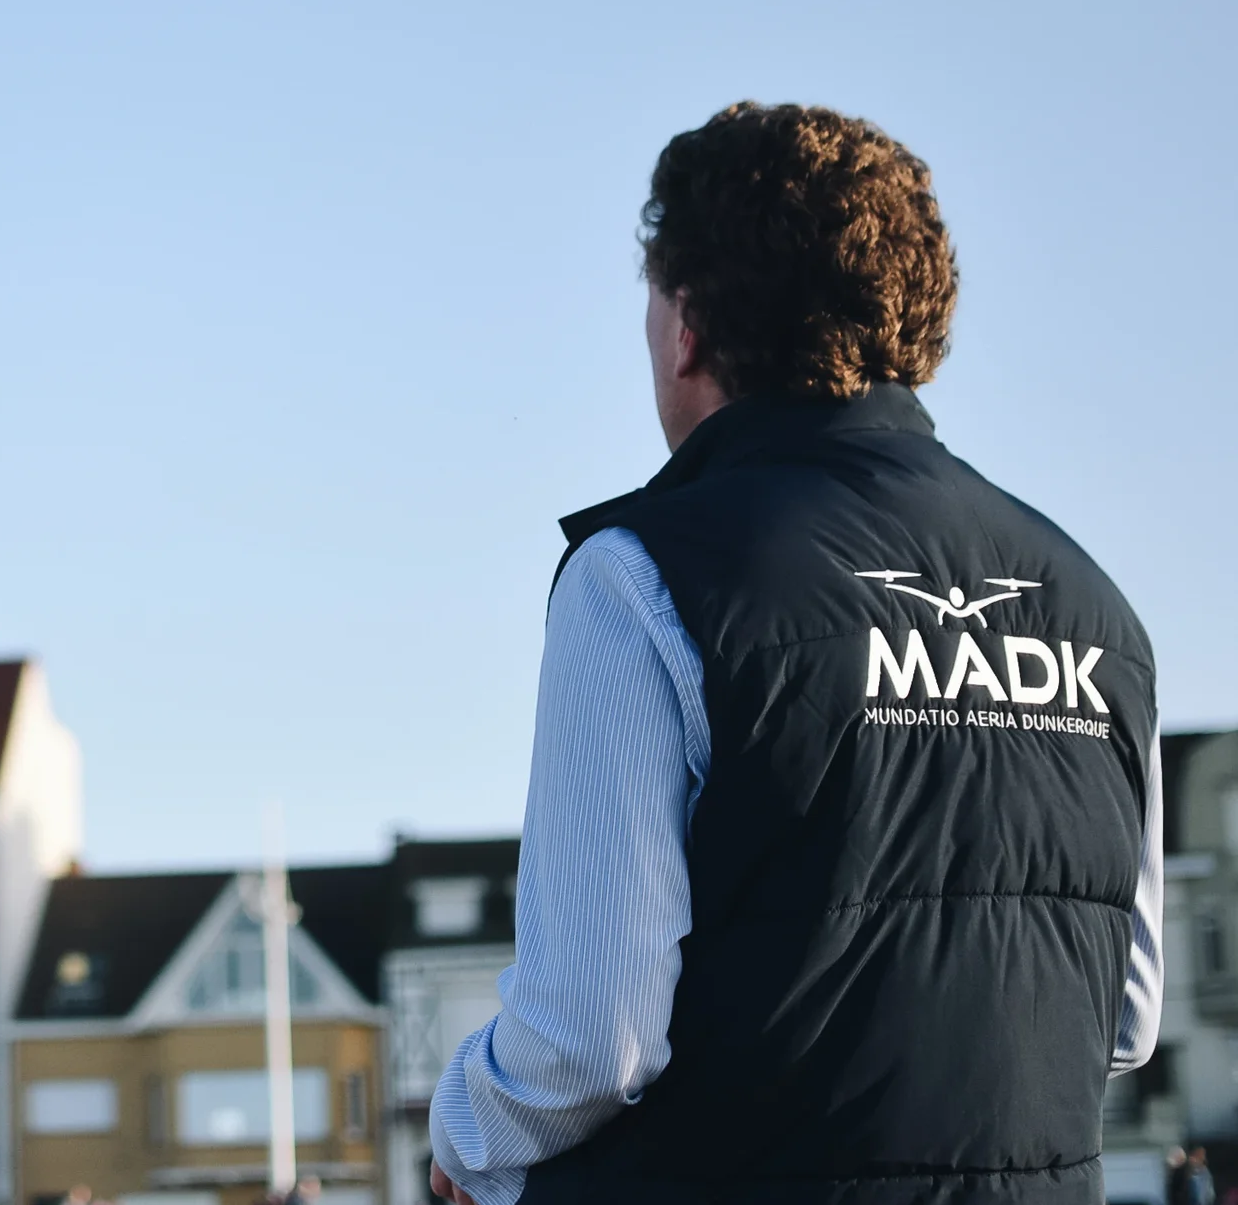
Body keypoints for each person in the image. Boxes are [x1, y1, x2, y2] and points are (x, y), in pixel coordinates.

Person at [427, 104, 1164, 1205]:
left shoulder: (641, 578)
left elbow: (588, 1040)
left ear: (687, 324)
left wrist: (465, 1133)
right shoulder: (1096, 609)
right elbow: (1123, 1013)